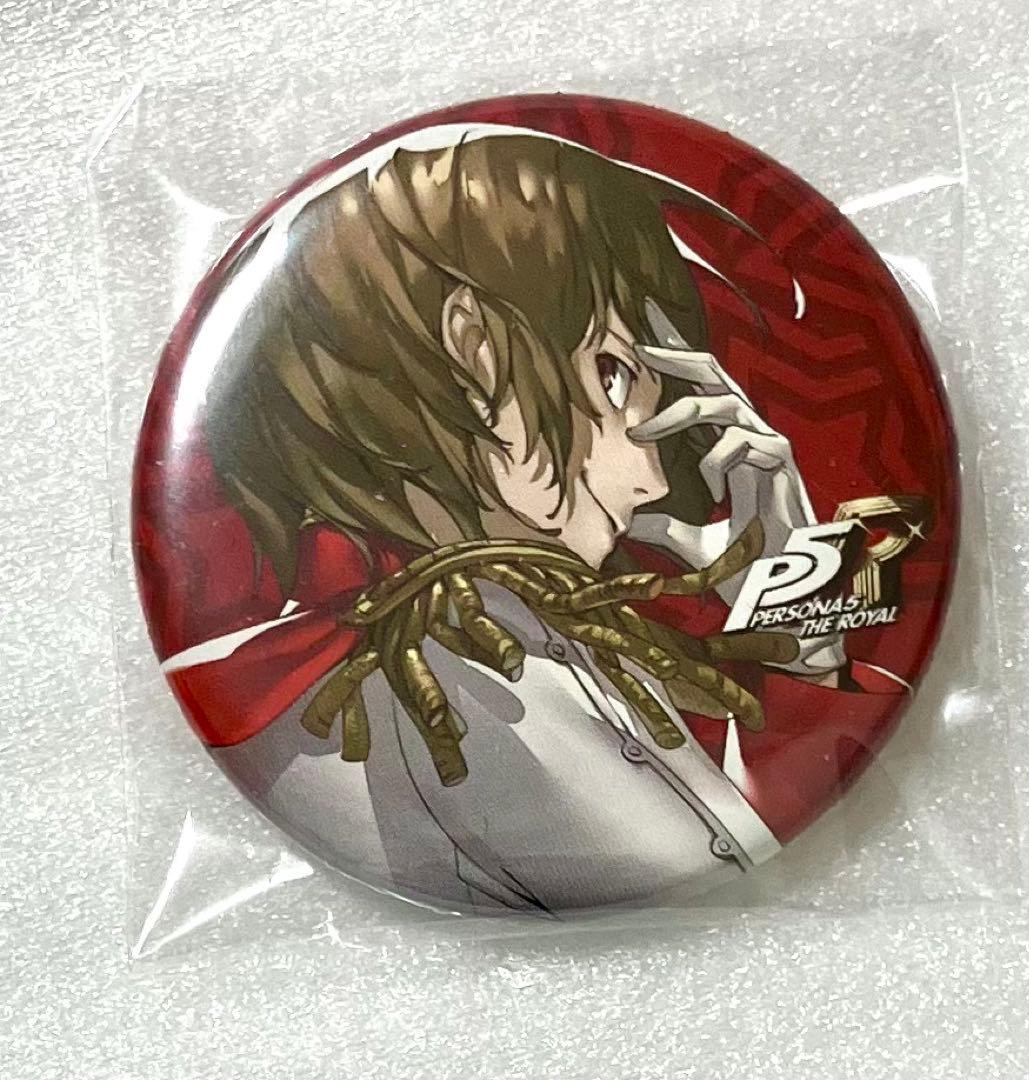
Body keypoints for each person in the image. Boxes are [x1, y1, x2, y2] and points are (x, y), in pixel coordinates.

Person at [162, 127, 904, 913]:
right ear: (477, 352)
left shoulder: (546, 640)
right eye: (613, 375)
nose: (654, 479)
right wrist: (804, 623)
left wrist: (798, 609)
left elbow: (762, 828)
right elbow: (734, 859)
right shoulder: (458, 691)